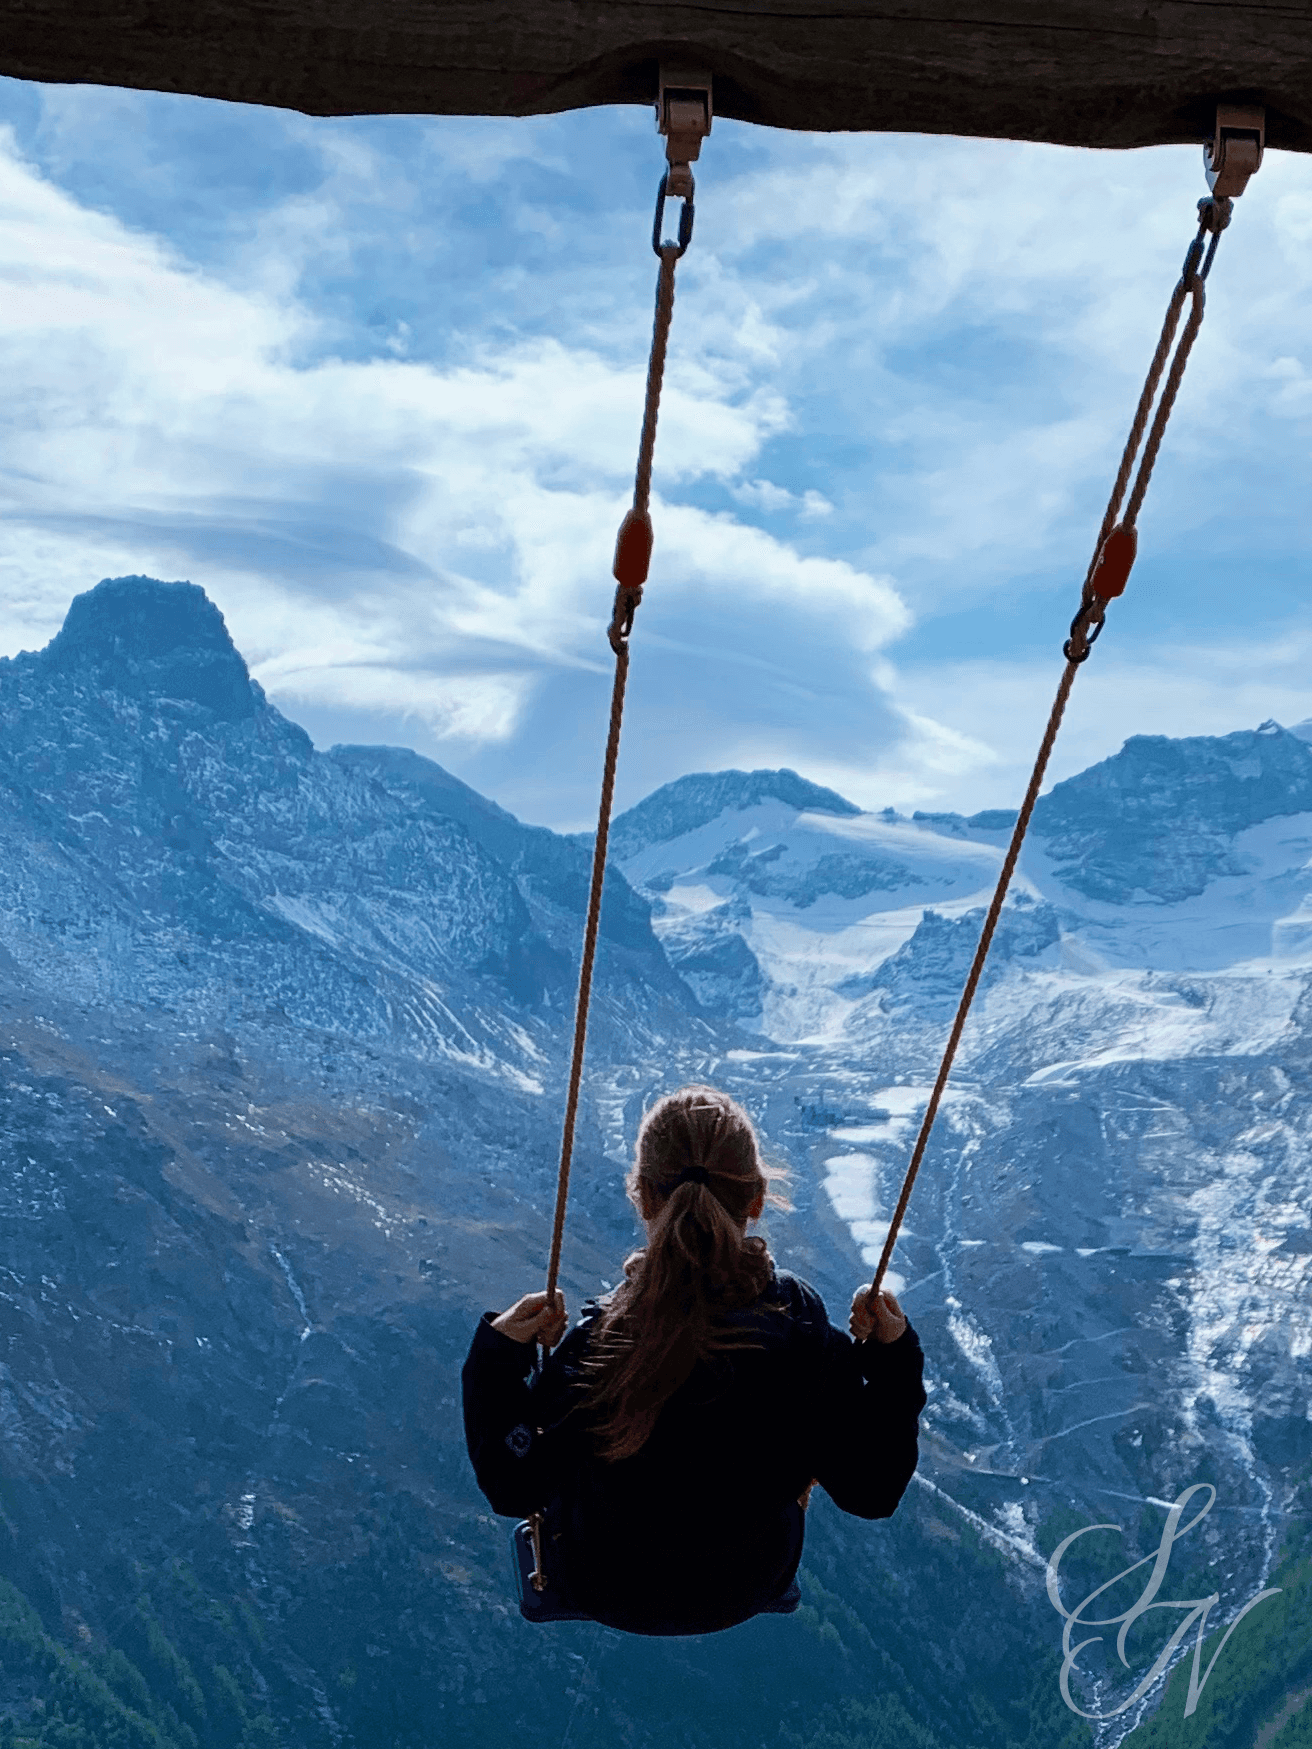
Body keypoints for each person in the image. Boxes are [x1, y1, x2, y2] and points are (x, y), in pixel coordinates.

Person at [461, 1083, 927, 1635]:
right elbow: (873, 1491)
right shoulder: (799, 1338)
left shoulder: (603, 1344)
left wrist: (497, 1358)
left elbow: (514, 1486)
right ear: (756, 1199)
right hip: (748, 1582)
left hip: (607, 1585)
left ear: (643, 1198)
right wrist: (894, 1360)